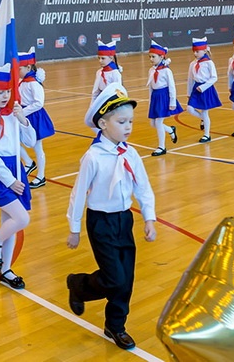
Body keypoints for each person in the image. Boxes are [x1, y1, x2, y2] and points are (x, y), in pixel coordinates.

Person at [66, 82, 156, 351]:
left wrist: (149, 218)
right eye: (121, 121)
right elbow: (78, 193)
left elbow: (143, 186)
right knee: (114, 278)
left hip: (124, 220)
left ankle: (115, 326)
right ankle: (79, 284)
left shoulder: (131, 152)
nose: (128, 126)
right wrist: (74, 228)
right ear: (103, 124)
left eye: (130, 121)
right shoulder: (93, 156)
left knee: (125, 280)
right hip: (101, 222)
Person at [0, 59, 36, 290]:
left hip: (16, 169)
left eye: (8, 91)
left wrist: (22, 119)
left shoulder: (11, 112)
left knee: (10, 221)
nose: (5, 96)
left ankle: (6, 270)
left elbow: (30, 141)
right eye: (0, 92)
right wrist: (10, 181)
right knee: (21, 219)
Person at [17, 47, 54, 189]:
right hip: (22, 115)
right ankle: (28, 162)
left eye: (19, 68)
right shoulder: (22, 81)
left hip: (34, 117)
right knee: (14, 140)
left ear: (28, 66)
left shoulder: (33, 83)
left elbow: (39, 103)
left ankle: (41, 176)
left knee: (38, 147)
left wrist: (23, 112)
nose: (17, 72)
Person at [146, 40, 182, 156]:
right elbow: (151, 86)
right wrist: (150, 100)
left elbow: (172, 87)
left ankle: (162, 147)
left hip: (163, 97)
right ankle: (171, 130)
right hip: (155, 97)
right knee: (153, 123)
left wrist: (172, 101)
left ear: (161, 57)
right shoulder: (151, 70)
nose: (151, 59)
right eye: (150, 56)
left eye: (153, 56)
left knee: (158, 122)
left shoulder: (167, 71)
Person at [186, 37, 222, 143]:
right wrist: (189, 92)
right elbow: (190, 79)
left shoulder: (209, 63)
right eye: (194, 51)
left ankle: (207, 135)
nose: (195, 54)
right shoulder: (192, 64)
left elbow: (214, 77)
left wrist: (203, 87)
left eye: (197, 51)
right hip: (195, 89)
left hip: (206, 89)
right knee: (189, 109)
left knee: (205, 112)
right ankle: (203, 119)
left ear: (204, 50)